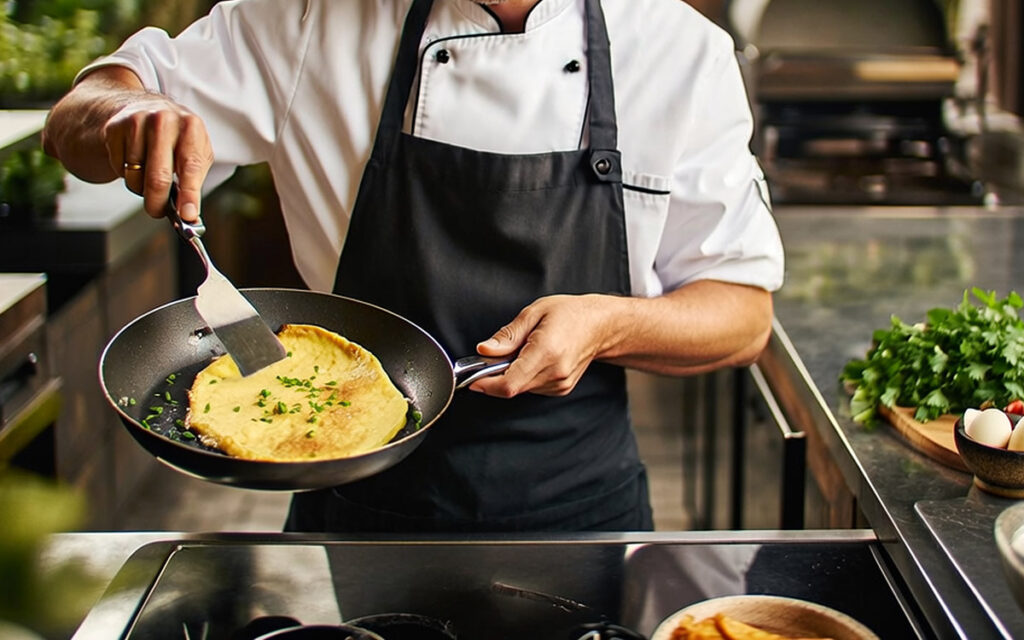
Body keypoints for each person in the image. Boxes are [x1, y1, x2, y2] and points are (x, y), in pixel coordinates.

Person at [43, 0, 784, 533]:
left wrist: (610, 323)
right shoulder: (308, 21)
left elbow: (743, 316)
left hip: (582, 512)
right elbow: (73, 116)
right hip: (351, 500)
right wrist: (121, 114)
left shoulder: (679, 49)